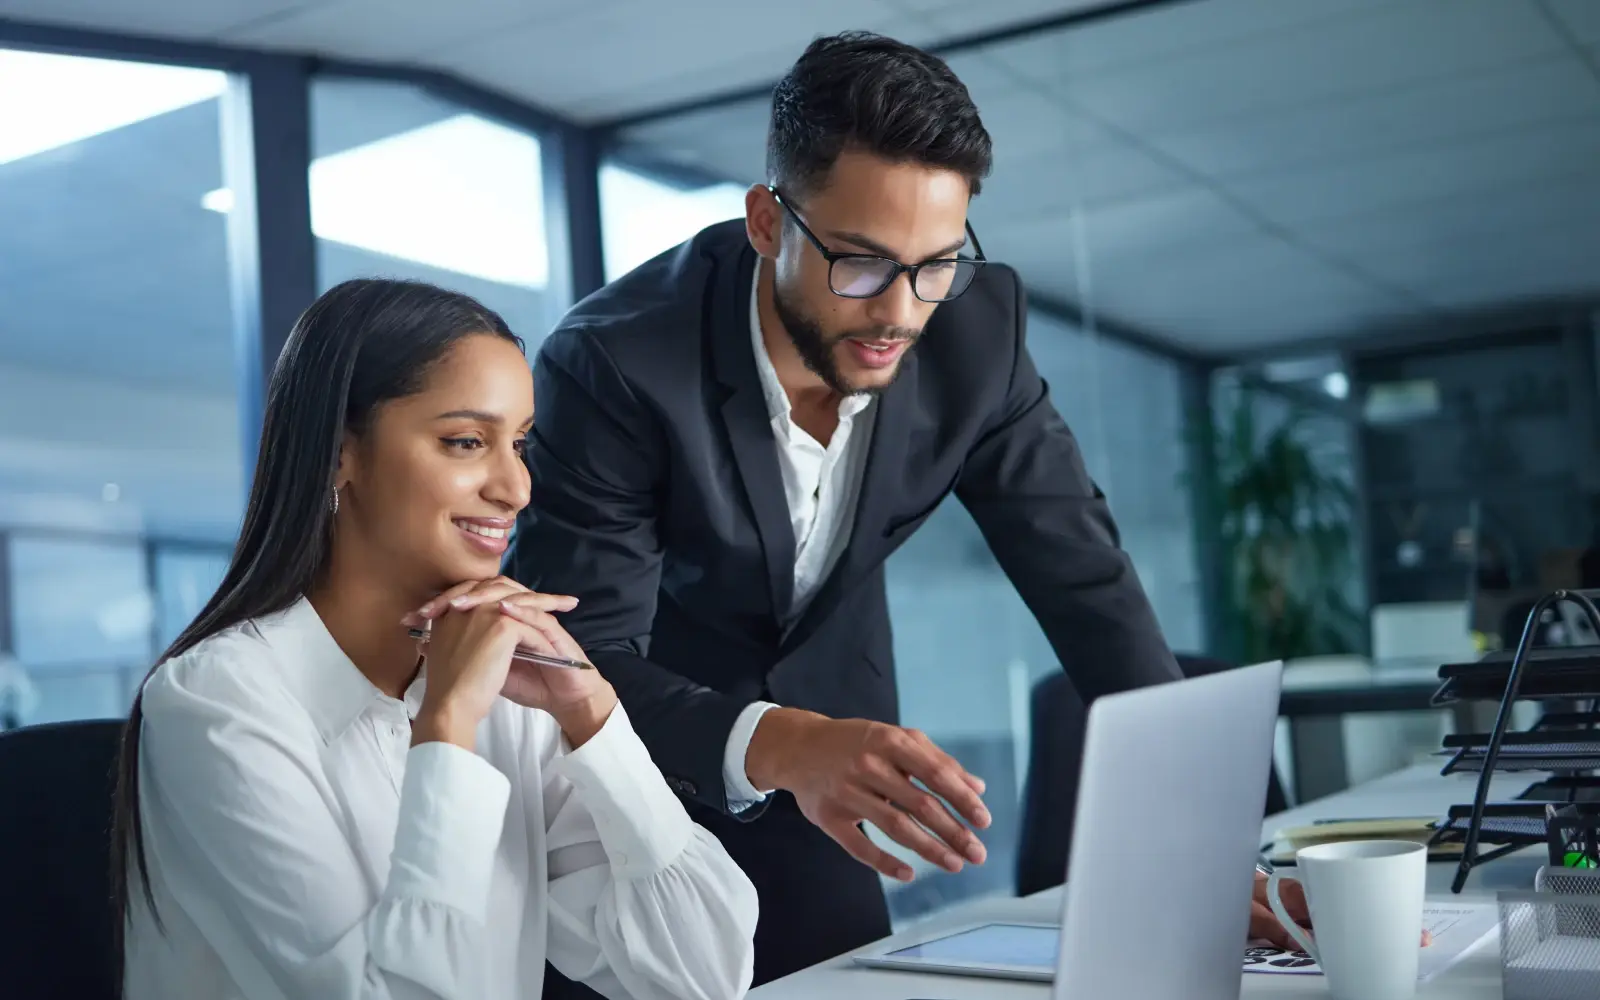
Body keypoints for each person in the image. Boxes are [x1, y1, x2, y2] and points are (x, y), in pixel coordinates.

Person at [509, 31, 1308, 986]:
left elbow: (1085, 581)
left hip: (841, 776)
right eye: (861, 263)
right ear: (768, 221)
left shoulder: (977, 333)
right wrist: (780, 739)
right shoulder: (617, 365)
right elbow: (575, 657)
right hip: (638, 788)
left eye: (935, 263)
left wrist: (1202, 853)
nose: (901, 311)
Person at [110, 279, 758, 1000]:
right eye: (466, 442)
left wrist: (593, 715)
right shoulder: (216, 703)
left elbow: (702, 976)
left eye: (519, 444)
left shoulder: (509, 684)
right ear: (338, 454)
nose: (516, 487)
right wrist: (446, 728)